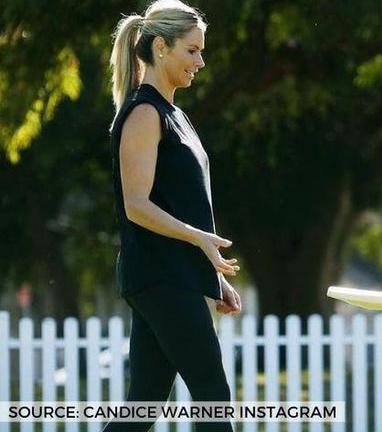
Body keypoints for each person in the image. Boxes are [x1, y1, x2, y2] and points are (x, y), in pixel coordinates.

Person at [105, 1, 241, 430]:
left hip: (171, 275)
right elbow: (137, 205)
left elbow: (182, 202)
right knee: (213, 399)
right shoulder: (145, 114)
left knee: (142, 407)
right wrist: (201, 241)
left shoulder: (175, 115)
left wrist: (210, 274)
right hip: (160, 276)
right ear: (161, 47)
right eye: (192, 50)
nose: (201, 62)